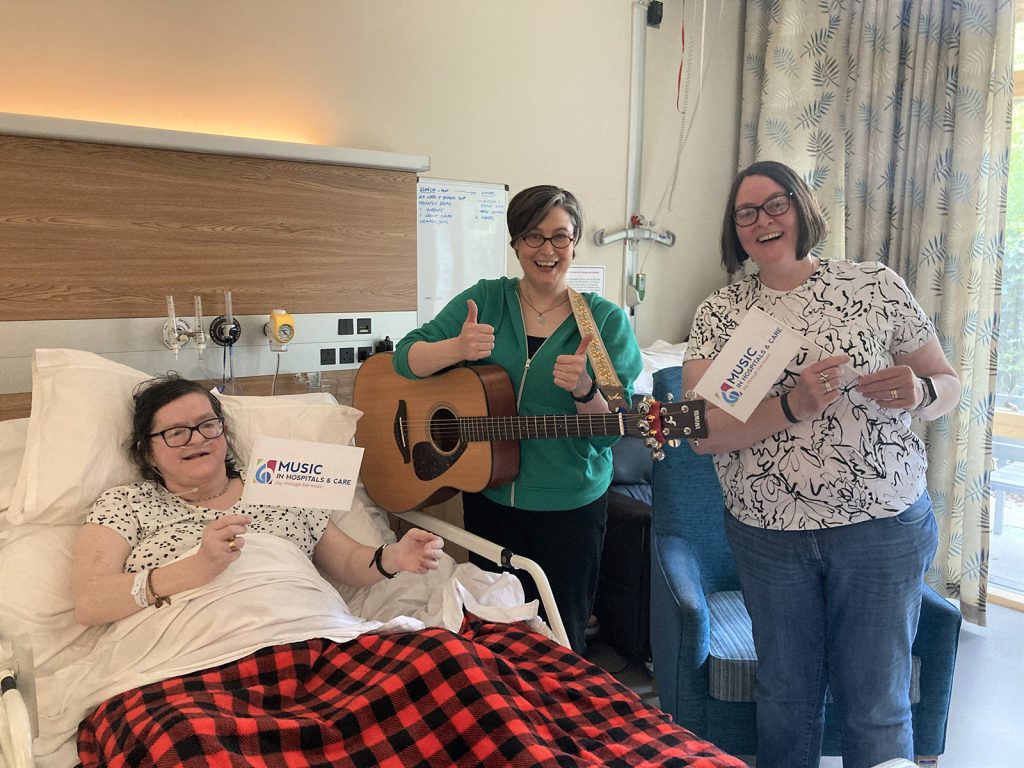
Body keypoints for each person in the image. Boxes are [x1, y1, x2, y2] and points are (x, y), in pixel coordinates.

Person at [683, 160, 960, 768]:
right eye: (745, 212)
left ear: (802, 207)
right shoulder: (722, 313)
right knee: (785, 697)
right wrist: (794, 404)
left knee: (877, 701)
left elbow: (947, 384)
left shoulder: (873, 285)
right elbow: (703, 433)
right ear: (735, 230)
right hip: (769, 538)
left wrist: (922, 393)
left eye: (775, 204)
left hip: (881, 527)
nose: (763, 220)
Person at [392, 184, 643, 653]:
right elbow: (405, 358)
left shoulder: (603, 322)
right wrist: (455, 349)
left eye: (560, 237)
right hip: (489, 496)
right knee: (492, 634)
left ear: (575, 241)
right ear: (515, 243)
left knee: (560, 640)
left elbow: (612, 430)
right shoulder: (486, 300)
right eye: (533, 236)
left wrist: (586, 390)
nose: (547, 250)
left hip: (569, 507)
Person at [72, 375, 444, 626]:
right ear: (147, 452)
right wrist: (198, 568)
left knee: (451, 673)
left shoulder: (279, 480)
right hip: (192, 657)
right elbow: (90, 601)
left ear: (224, 432)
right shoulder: (126, 503)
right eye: (175, 432)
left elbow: (346, 560)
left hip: (309, 632)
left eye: (207, 425)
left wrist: (393, 557)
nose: (197, 439)